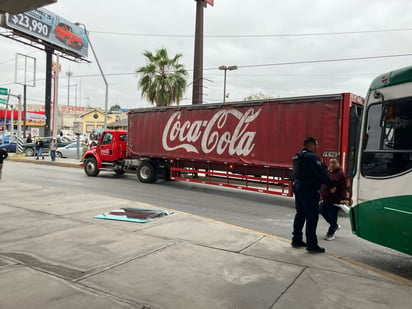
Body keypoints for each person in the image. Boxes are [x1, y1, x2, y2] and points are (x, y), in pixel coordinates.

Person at [291, 137, 335, 253]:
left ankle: (296, 239)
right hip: (309, 189)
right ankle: (312, 244)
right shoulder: (312, 157)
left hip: (298, 187)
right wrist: (331, 185)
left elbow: (312, 169)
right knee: (312, 216)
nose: (317, 147)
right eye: (316, 145)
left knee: (300, 214)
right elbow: (320, 174)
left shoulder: (297, 156)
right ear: (310, 145)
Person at [320, 158, 347, 241]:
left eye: (333, 163)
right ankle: (334, 225)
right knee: (322, 210)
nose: (331, 165)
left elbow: (343, 187)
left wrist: (342, 198)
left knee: (333, 215)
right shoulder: (329, 173)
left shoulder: (340, 175)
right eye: (330, 163)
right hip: (326, 198)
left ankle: (331, 233)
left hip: (335, 198)